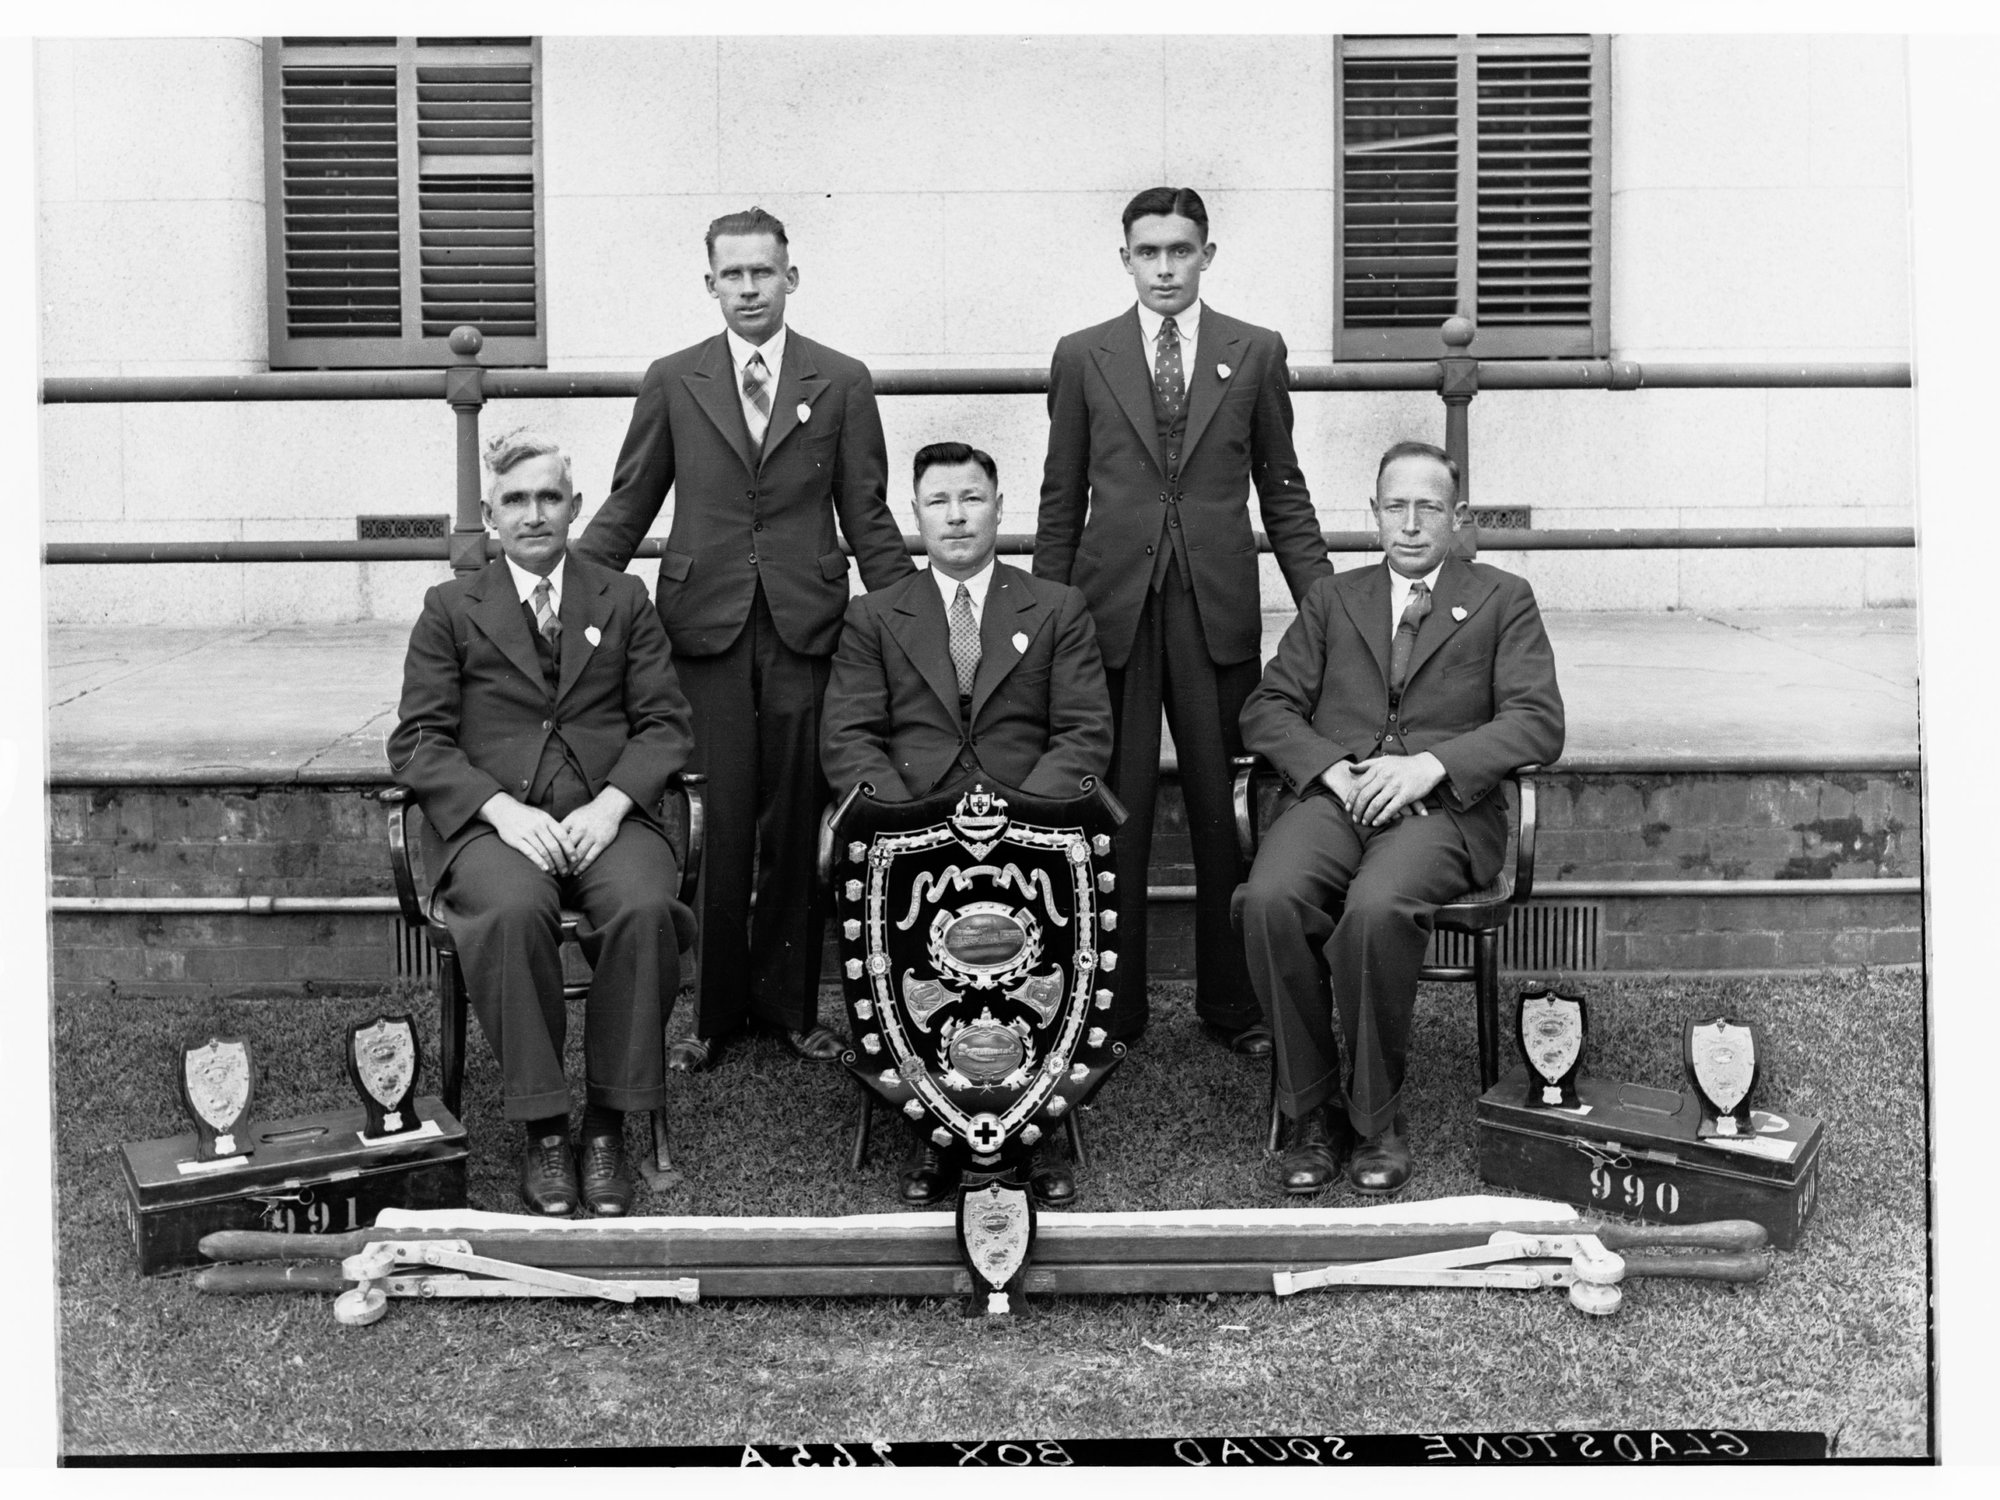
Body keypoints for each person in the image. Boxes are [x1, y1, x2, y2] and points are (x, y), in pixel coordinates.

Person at [576, 207, 916, 1073]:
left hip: (807, 626)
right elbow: (629, 504)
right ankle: (715, 1014)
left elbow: (867, 515)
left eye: (764, 272)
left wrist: (921, 622)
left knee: (797, 817)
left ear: (790, 277)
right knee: (718, 821)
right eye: (734, 275)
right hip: (708, 629)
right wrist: (555, 596)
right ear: (711, 285)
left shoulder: (840, 380)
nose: (750, 289)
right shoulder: (673, 379)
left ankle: (791, 1008)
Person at [1035, 186, 1332, 1055]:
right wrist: (1040, 623)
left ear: (1208, 254)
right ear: (1124, 257)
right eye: (1149, 252)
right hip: (1112, 616)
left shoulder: (1255, 350)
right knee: (1112, 817)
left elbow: (1284, 492)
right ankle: (1113, 1012)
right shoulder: (1083, 355)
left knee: (1223, 812)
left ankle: (1232, 1007)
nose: (1165, 267)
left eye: (1181, 250)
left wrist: (1335, 607)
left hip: (1214, 615)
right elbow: (1061, 501)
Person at [1234, 441, 1565, 1196]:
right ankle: (1310, 1108)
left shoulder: (1501, 598)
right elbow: (1267, 707)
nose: (1410, 524)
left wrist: (1431, 765)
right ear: (1373, 514)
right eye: (1395, 506)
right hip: (1338, 797)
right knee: (1267, 900)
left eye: (1427, 507)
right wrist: (1333, 769)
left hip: (1440, 810)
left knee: (1376, 910)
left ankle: (1375, 1114)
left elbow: (1539, 722)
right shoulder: (1333, 599)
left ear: (1457, 517)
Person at [389, 429, 696, 1216]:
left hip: (605, 816)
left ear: (576, 506)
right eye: (516, 500)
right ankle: (544, 1133)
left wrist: (615, 802)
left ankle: (606, 1127)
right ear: (490, 515)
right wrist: (497, 809)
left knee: (644, 908)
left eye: (550, 497)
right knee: (512, 911)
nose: (535, 514)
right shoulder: (450, 608)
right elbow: (418, 740)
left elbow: (665, 724)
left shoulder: (621, 599)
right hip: (499, 827)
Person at [822, 441, 1115, 1207]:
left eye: (971, 498)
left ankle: (1031, 1133)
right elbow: (849, 737)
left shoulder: (1055, 606)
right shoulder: (874, 615)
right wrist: (916, 820)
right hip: (910, 837)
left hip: (1033, 835)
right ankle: (935, 1136)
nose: (956, 516)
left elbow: (1083, 733)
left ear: (998, 507)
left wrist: (1016, 820)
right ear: (915, 515)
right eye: (939, 502)